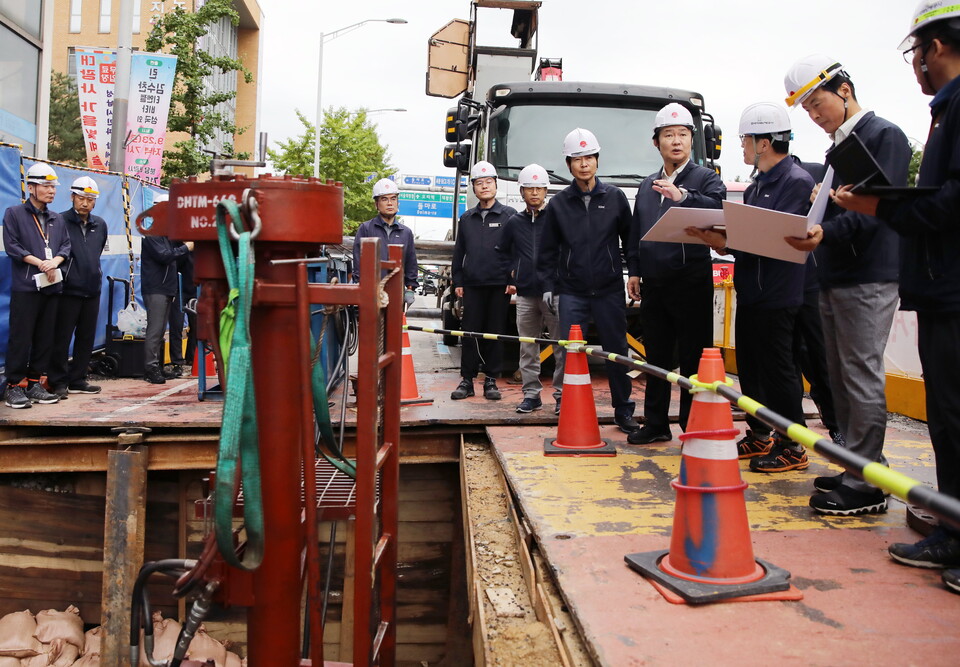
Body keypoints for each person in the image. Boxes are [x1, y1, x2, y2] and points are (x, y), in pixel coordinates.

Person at [833, 1, 960, 593]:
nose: (916, 67)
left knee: (955, 418)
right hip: (941, 291)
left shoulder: (951, 110)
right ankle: (952, 532)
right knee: (947, 421)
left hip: (952, 291)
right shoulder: (945, 111)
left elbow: (950, 202)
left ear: (934, 48)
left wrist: (877, 205)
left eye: (916, 54)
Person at [783, 54, 911, 515]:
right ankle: (859, 462)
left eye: (818, 104)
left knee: (860, 374)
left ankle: (868, 483)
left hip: (869, 273)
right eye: (808, 111)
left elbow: (880, 210)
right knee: (838, 374)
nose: (816, 116)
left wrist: (826, 229)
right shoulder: (840, 148)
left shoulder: (884, 135)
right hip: (836, 271)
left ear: (844, 90)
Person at [687, 102, 811, 472]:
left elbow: (775, 237)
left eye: (745, 139)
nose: (742, 146)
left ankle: (795, 443)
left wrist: (725, 241)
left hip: (779, 294)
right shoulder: (758, 186)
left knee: (780, 371)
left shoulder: (796, 182)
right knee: (753, 371)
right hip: (753, 293)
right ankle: (761, 434)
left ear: (763, 142)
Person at [626, 105, 724, 443]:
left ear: (692, 140)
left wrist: (684, 196)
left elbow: (720, 209)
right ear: (657, 142)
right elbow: (637, 231)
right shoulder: (646, 185)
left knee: (694, 359)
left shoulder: (705, 178)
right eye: (669, 135)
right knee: (656, 357)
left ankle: (692, 425)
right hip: (655, 283)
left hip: (691, 280)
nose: (676, 141)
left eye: (683, 134)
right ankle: (655, 424)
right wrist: (635, 271)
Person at [539, 128, 638, 434]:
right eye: (577, 159)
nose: (584, 164)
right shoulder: (558, 204)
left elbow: (630, 240)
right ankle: (572, 408)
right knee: (572, 352)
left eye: (589, 158)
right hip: (572, 292)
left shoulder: (616, 198)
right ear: (568, 164)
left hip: (608, 290)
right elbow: (547, 251)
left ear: (597, 161)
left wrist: (633, 272)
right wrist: (549, 287)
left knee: (616, 352)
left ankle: (623, 411)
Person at [2, 163, 71, 408]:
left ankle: (34, 383)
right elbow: (13, 246)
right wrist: (40, 263)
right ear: (31, 187)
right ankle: (14, 386)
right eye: (45, 185)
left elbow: (65, 246)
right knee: (21, 337)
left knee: (45, 337)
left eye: (53, 186)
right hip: (27, 287)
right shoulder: (14, 213)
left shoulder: (57, 218)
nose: (51, 190)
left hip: (52, 286)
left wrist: (55, 262)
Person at [498, 163, 564, 415]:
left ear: (546, 190)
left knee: (562, 347)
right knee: (527, 347)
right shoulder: (515, 222)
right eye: (529, 188)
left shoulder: (557, 220)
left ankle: (561, 396)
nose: (534, 193)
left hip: (555, 293)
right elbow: (502, 251)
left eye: (539, 188)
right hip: (525, 294)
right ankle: (531, 395)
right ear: (521, 191)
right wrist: (512, 270)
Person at [450, 161, 513, 401]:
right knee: (469, 333)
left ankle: (491, 380)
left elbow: (515, 251)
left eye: (488, 182)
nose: (484, 186)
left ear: (496, 185)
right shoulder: (467, 218)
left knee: (495, 333)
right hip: (473, 285)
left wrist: (512, 278)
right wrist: (458, 281)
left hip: (499, 285)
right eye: (479, 183)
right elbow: (459, 252)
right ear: (474, 188)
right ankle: (467, 380)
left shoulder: (509, 216)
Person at [48, 176, 108, 398]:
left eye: (90, 199)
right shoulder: (59, 221)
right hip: (68, 290)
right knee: (61, 337)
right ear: (72, 197)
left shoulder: (99, 224)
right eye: (81, 198)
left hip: (92, 289)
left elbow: (98, 251)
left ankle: (78, 379)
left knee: (86, 337)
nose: (85, 203)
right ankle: (58, 381)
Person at [141, 197, 194, 385]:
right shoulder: (153, 235)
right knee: (155, 329)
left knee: (161, 329)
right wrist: (186, 247)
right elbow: (165, 256)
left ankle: (158, 366)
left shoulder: (166, 235)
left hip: (167, 287)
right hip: (156, 288)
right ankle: (150, 368)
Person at [353, 178, 419, 308]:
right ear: (376, 204)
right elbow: (358, 262)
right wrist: (361, 287)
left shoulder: (406, 233)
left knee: (394, 328)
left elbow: (411, 263)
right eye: (384, 199)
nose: (390, 203)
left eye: (393, 199)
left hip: (396, 295)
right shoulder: (366, 229)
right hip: (370, 295)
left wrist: (410, 289)